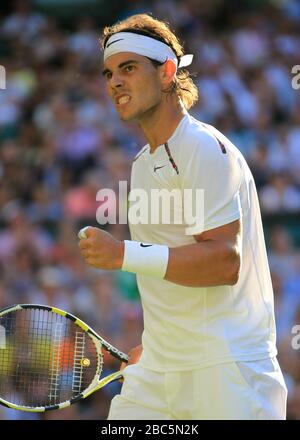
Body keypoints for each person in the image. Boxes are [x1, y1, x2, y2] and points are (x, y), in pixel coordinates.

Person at [78, 13, 287, 420]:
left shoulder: (205, 149)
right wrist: (156, 345)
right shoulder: (141, 166)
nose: (115, 82)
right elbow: (169, 277)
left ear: (167, 72)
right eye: (108, 73)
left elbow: (223, 262)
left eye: (129, 68)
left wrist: (123, 254)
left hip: (227, 372)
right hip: (159, 369)